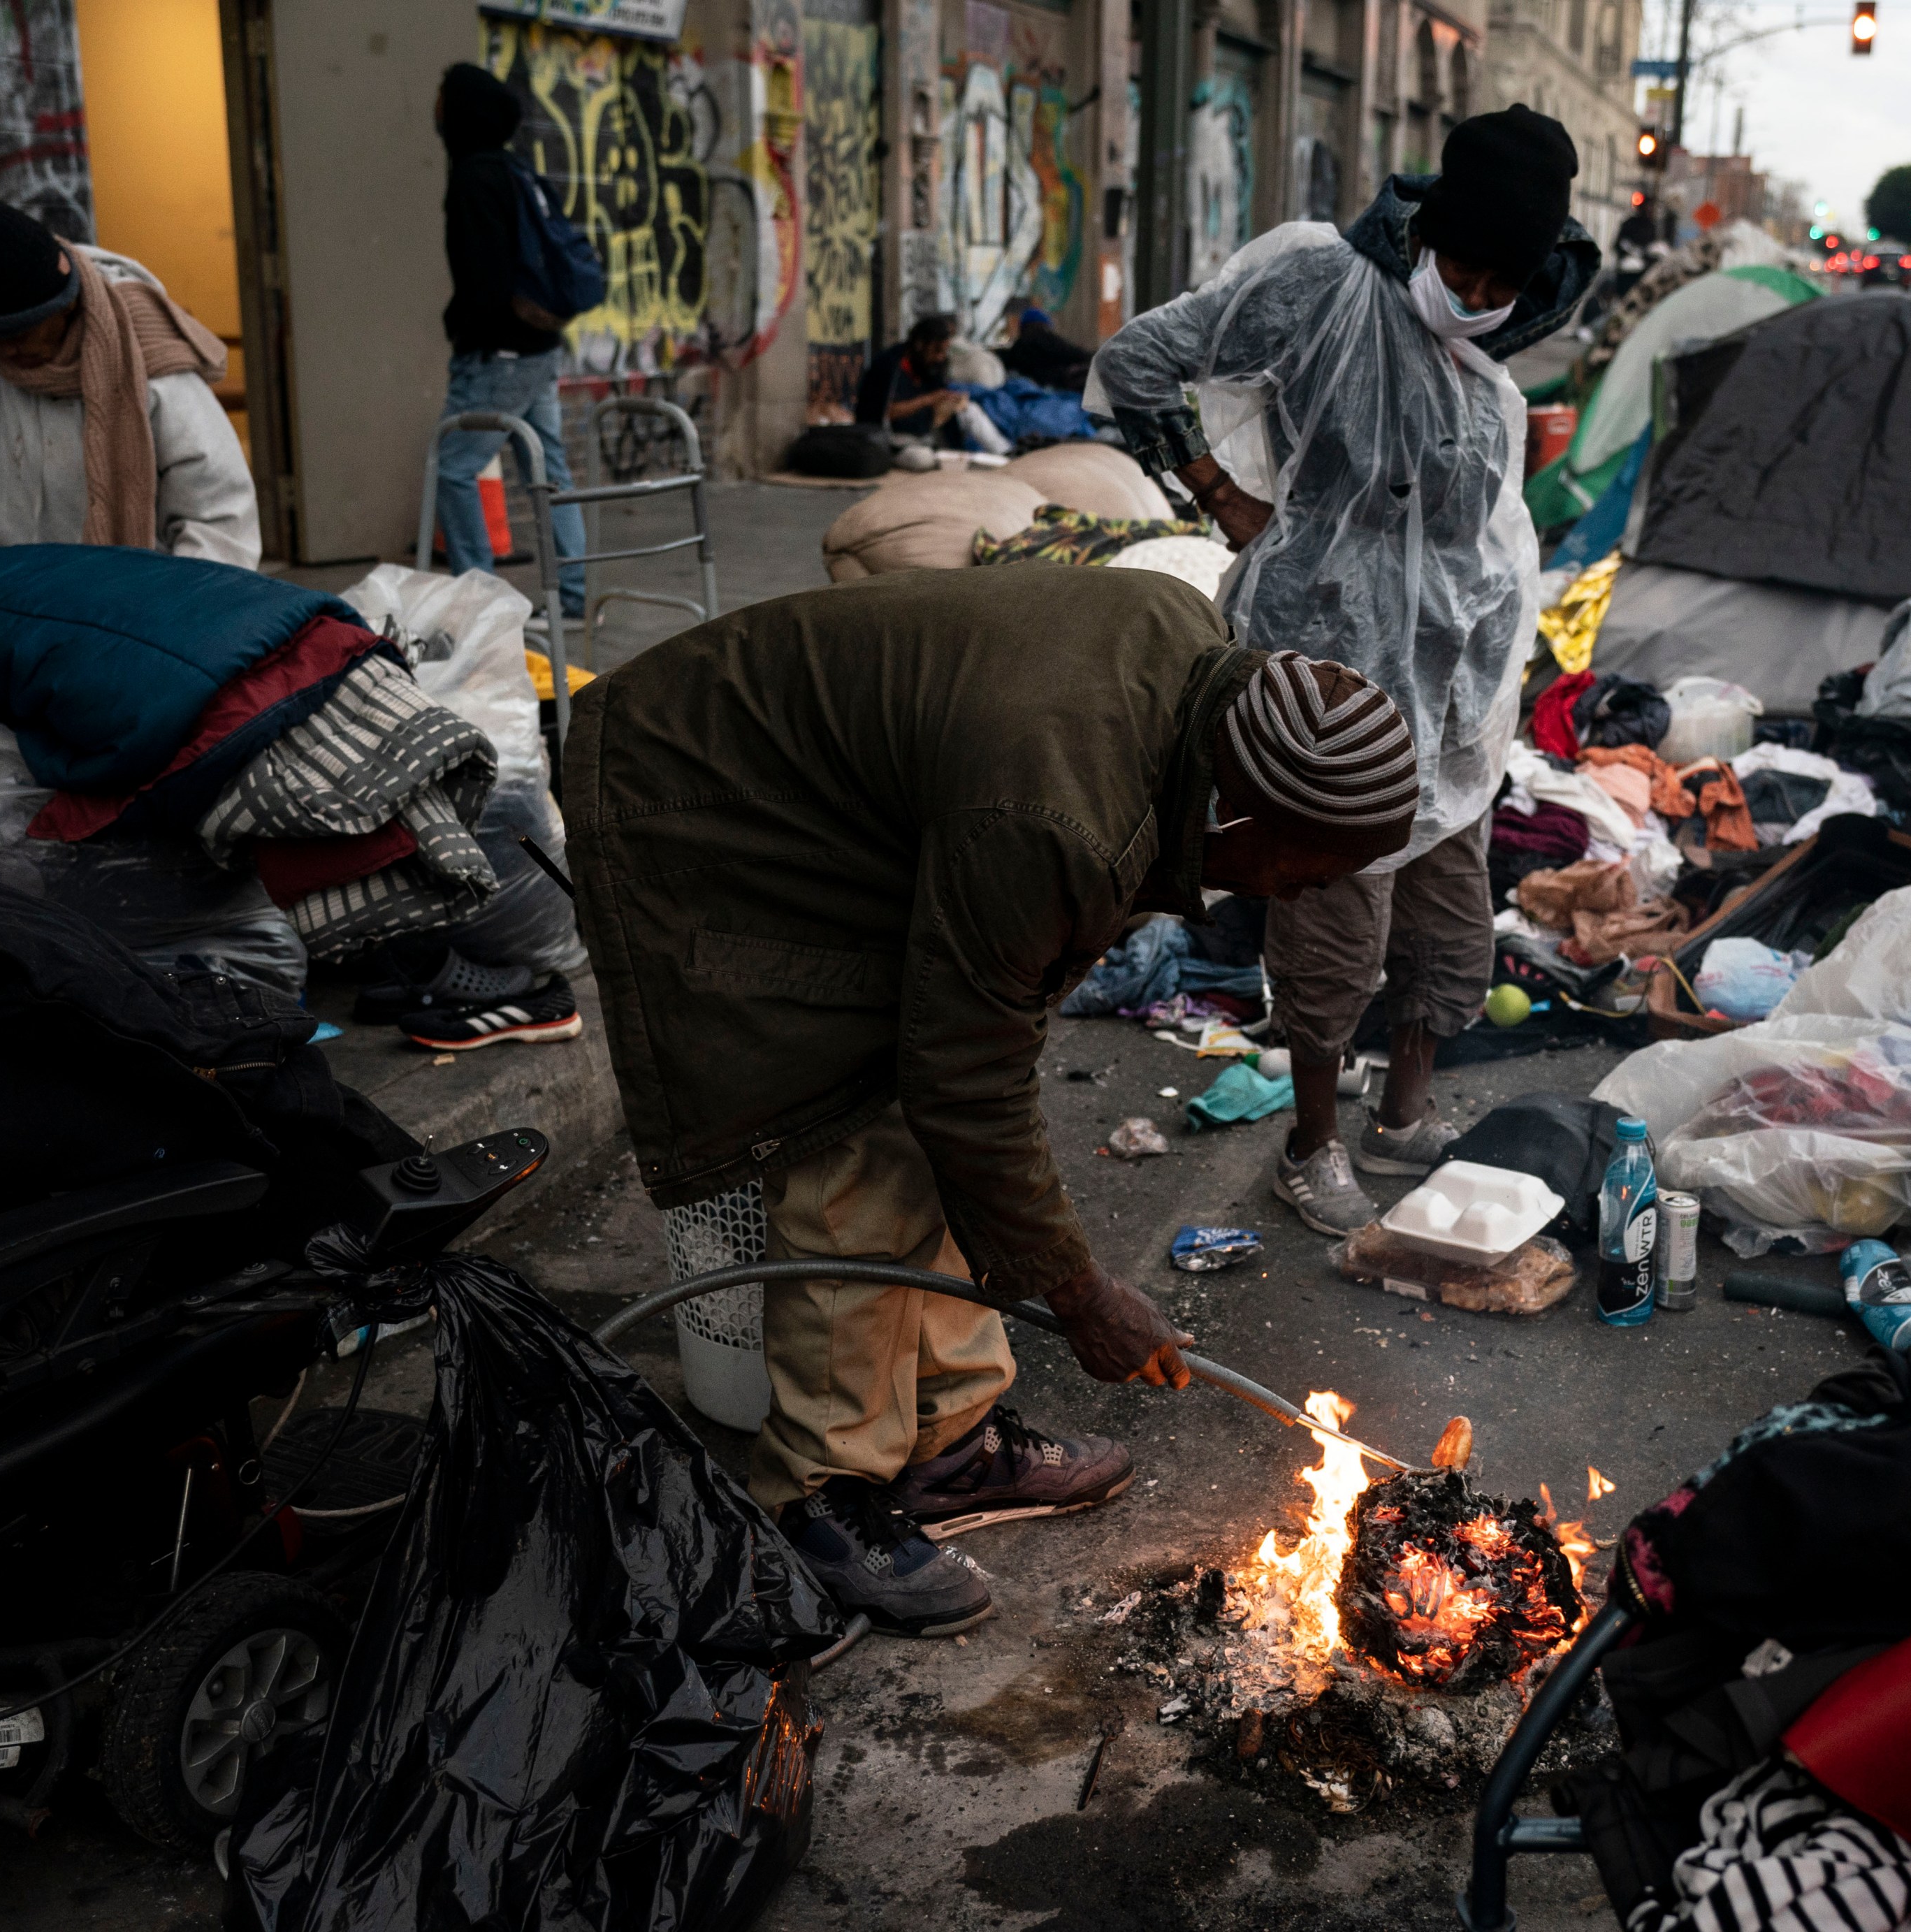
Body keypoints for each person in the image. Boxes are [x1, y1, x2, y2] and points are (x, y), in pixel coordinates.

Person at [561, 566, 1418, 1633]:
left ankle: (949, 1443)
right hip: (706, 796)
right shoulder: (1054, 816)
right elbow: (960, 1077)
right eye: (1310, 866)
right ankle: (821, 1492)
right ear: (1241, 810)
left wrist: (1048, 1260)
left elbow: (981, 1068)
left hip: (859, 800)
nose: (1309, 894)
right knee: (854, 1122)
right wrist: (1079, 1293)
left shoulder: (1191, 655)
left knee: (950, 1129)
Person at [1089, 104, 1597, 1237]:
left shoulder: (1492, 371)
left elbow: (1478, 530)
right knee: (1332, 917)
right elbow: (1137, 364)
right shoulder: (1320, 283)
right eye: (1457, 263)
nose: (1469, 291)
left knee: (1446, 919)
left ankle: (1401, 1116)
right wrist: (1217, 494)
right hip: (1330, 670)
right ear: (1423, 232)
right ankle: (1310, 1144)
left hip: (1455, 684)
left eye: (1496, 279)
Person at [0, 195, 257, 565]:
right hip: (18, 600)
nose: (7, 350)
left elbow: (216, 511)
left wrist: (189, 612)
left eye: (21, 332)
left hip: (148, 603)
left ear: (65, 305)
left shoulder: (143, 349)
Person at [433, 62, 587, 620]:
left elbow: (484, 281)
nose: (436, 111)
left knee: (451, 467)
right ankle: (573, 599)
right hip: (540, 347)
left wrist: (464, 330)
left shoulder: (474, 177)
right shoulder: (515, 170)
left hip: (499, 354)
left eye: (442, 100)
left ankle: (480, 603)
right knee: (549, 471)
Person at [855, 314, 1012, 456]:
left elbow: (937, 406)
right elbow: (886, 412)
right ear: (919, 345)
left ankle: (1007, 453)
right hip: (894, 439)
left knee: (970, 410)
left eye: (944, 352)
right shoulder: (890, 366)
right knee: (921, 459)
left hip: (925, 433)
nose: (940, 357)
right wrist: (929, 400)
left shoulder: (932, 368)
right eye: (936, 351)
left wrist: (948, 402)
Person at [1001, 304, 1093, 391]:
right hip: (1057, 386)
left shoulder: (1017, 348)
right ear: (1042, 325)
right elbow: (1074, 353)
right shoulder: (1043, 339)